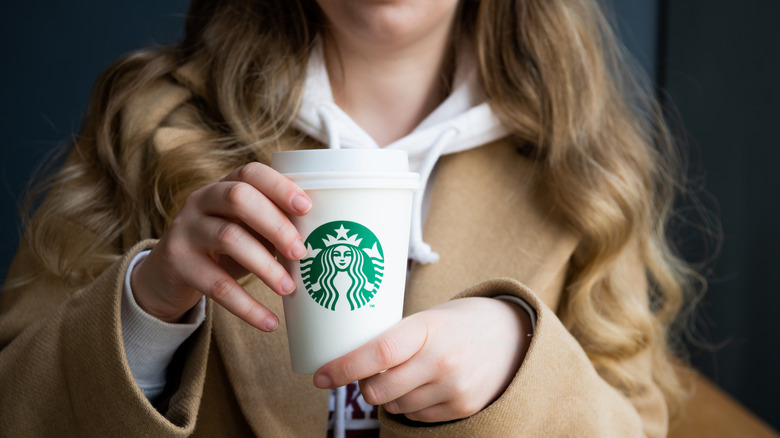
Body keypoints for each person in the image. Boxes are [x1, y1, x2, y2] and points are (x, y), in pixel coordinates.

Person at [0, 0, 699, 436]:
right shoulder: (147, 125)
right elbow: (17, 406)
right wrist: (146, 304)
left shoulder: (582, 169)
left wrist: (525, 370)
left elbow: (633, 424)